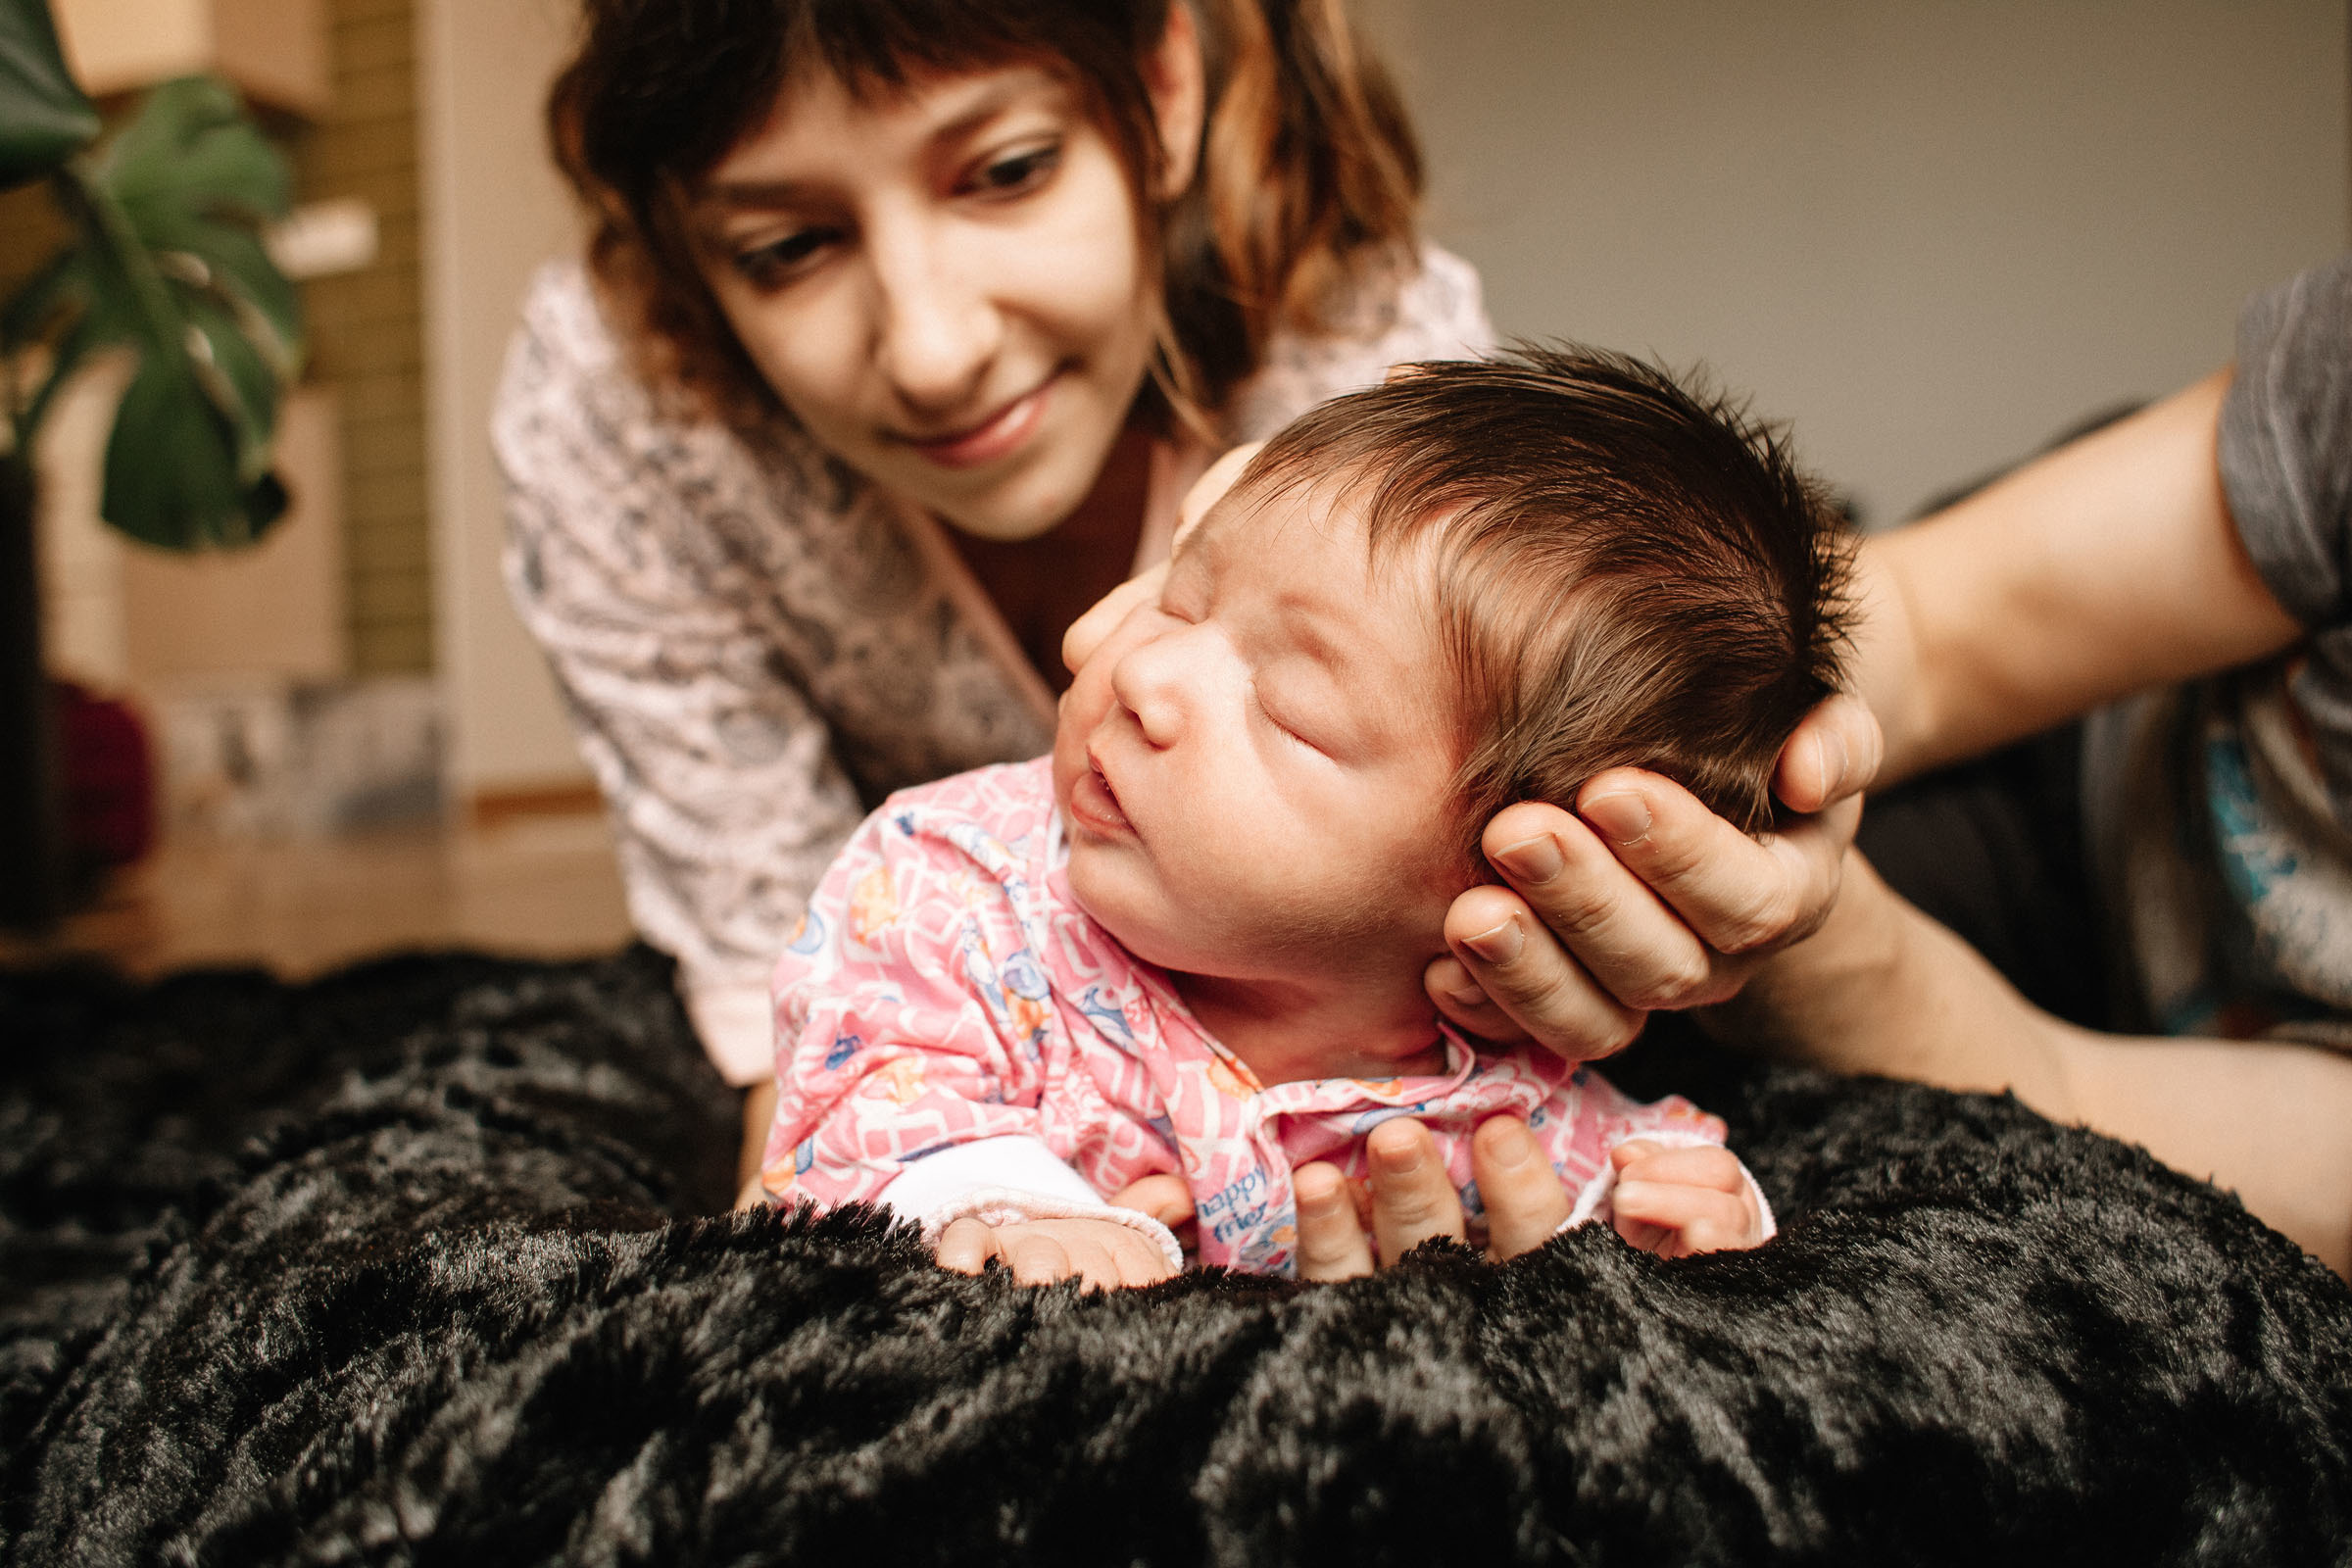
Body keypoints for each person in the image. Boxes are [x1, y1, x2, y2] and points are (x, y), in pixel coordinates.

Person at [495, 0, 1494, 1195]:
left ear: (1165, 87)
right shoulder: (619, 411)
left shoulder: (1367, 370)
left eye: (1008, 171)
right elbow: (789, 1008)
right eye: (787, 248)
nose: (930, 352)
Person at [1278, 255, 2352, 1278]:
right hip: (2069, 754)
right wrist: (1721, 731)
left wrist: (1819, 948)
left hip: (2066, 1041)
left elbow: (2065, 1083)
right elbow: (1931, 631)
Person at [759, 348, 1845, 1286]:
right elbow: (867, 1095)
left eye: (1290, 708)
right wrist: (1006, 1210)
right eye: (1181, 596)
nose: (1142, 671)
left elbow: (1636, 1165)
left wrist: (1708, 1220)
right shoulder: (962, 884)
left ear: (1527, 890)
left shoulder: (1493, 1086)